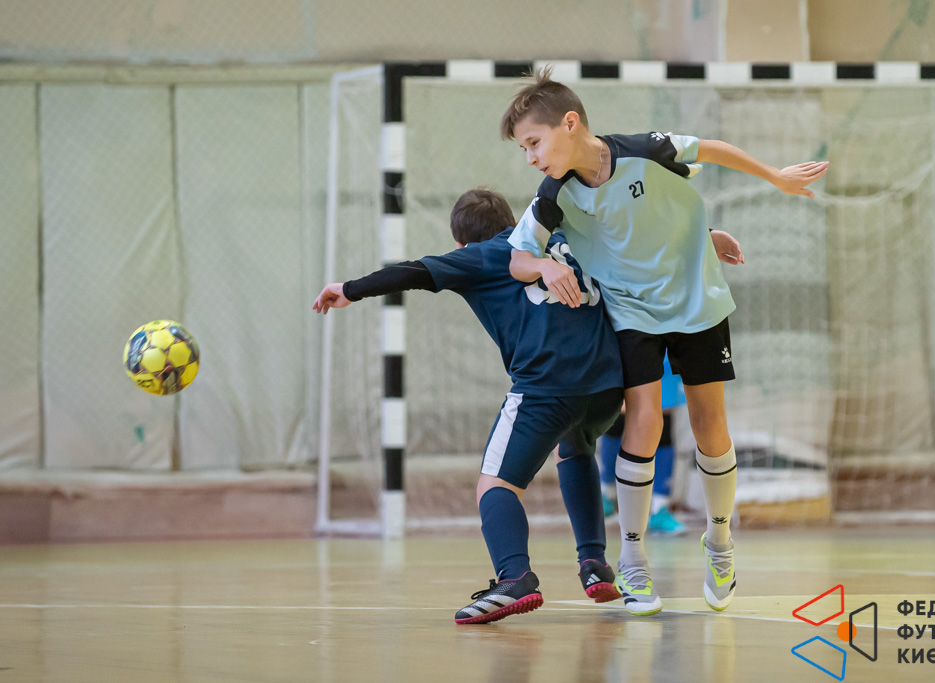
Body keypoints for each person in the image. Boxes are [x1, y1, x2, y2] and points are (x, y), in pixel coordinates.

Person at [500, 67, 827, 616]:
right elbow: (517, 259)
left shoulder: (644, 150)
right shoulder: (554, 195)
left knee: (709, 423)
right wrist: (543, 266)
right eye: (523, 149)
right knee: (645, 420)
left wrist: (776, 178)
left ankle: (719, 541)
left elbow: (710, 150)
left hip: (696, 296)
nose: (531, 157)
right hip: (633, 311)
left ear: (570, 123)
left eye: (534, 142)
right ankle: (632, 558)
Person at [312, 188, 625, 625]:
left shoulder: (482, 255)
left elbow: (412, 271)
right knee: (575, 448)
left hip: (547, 387)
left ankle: (514, 577)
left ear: (461, 242)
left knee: (496, 484)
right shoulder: (560, 240)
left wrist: (349, 289)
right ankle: (594, 565)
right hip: (608, 385)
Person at [600, 354, 690, 536]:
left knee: (663, 412)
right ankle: (606, 494)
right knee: (619, 407)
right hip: (626, 342)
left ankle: (659, 509)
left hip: (665, 345)